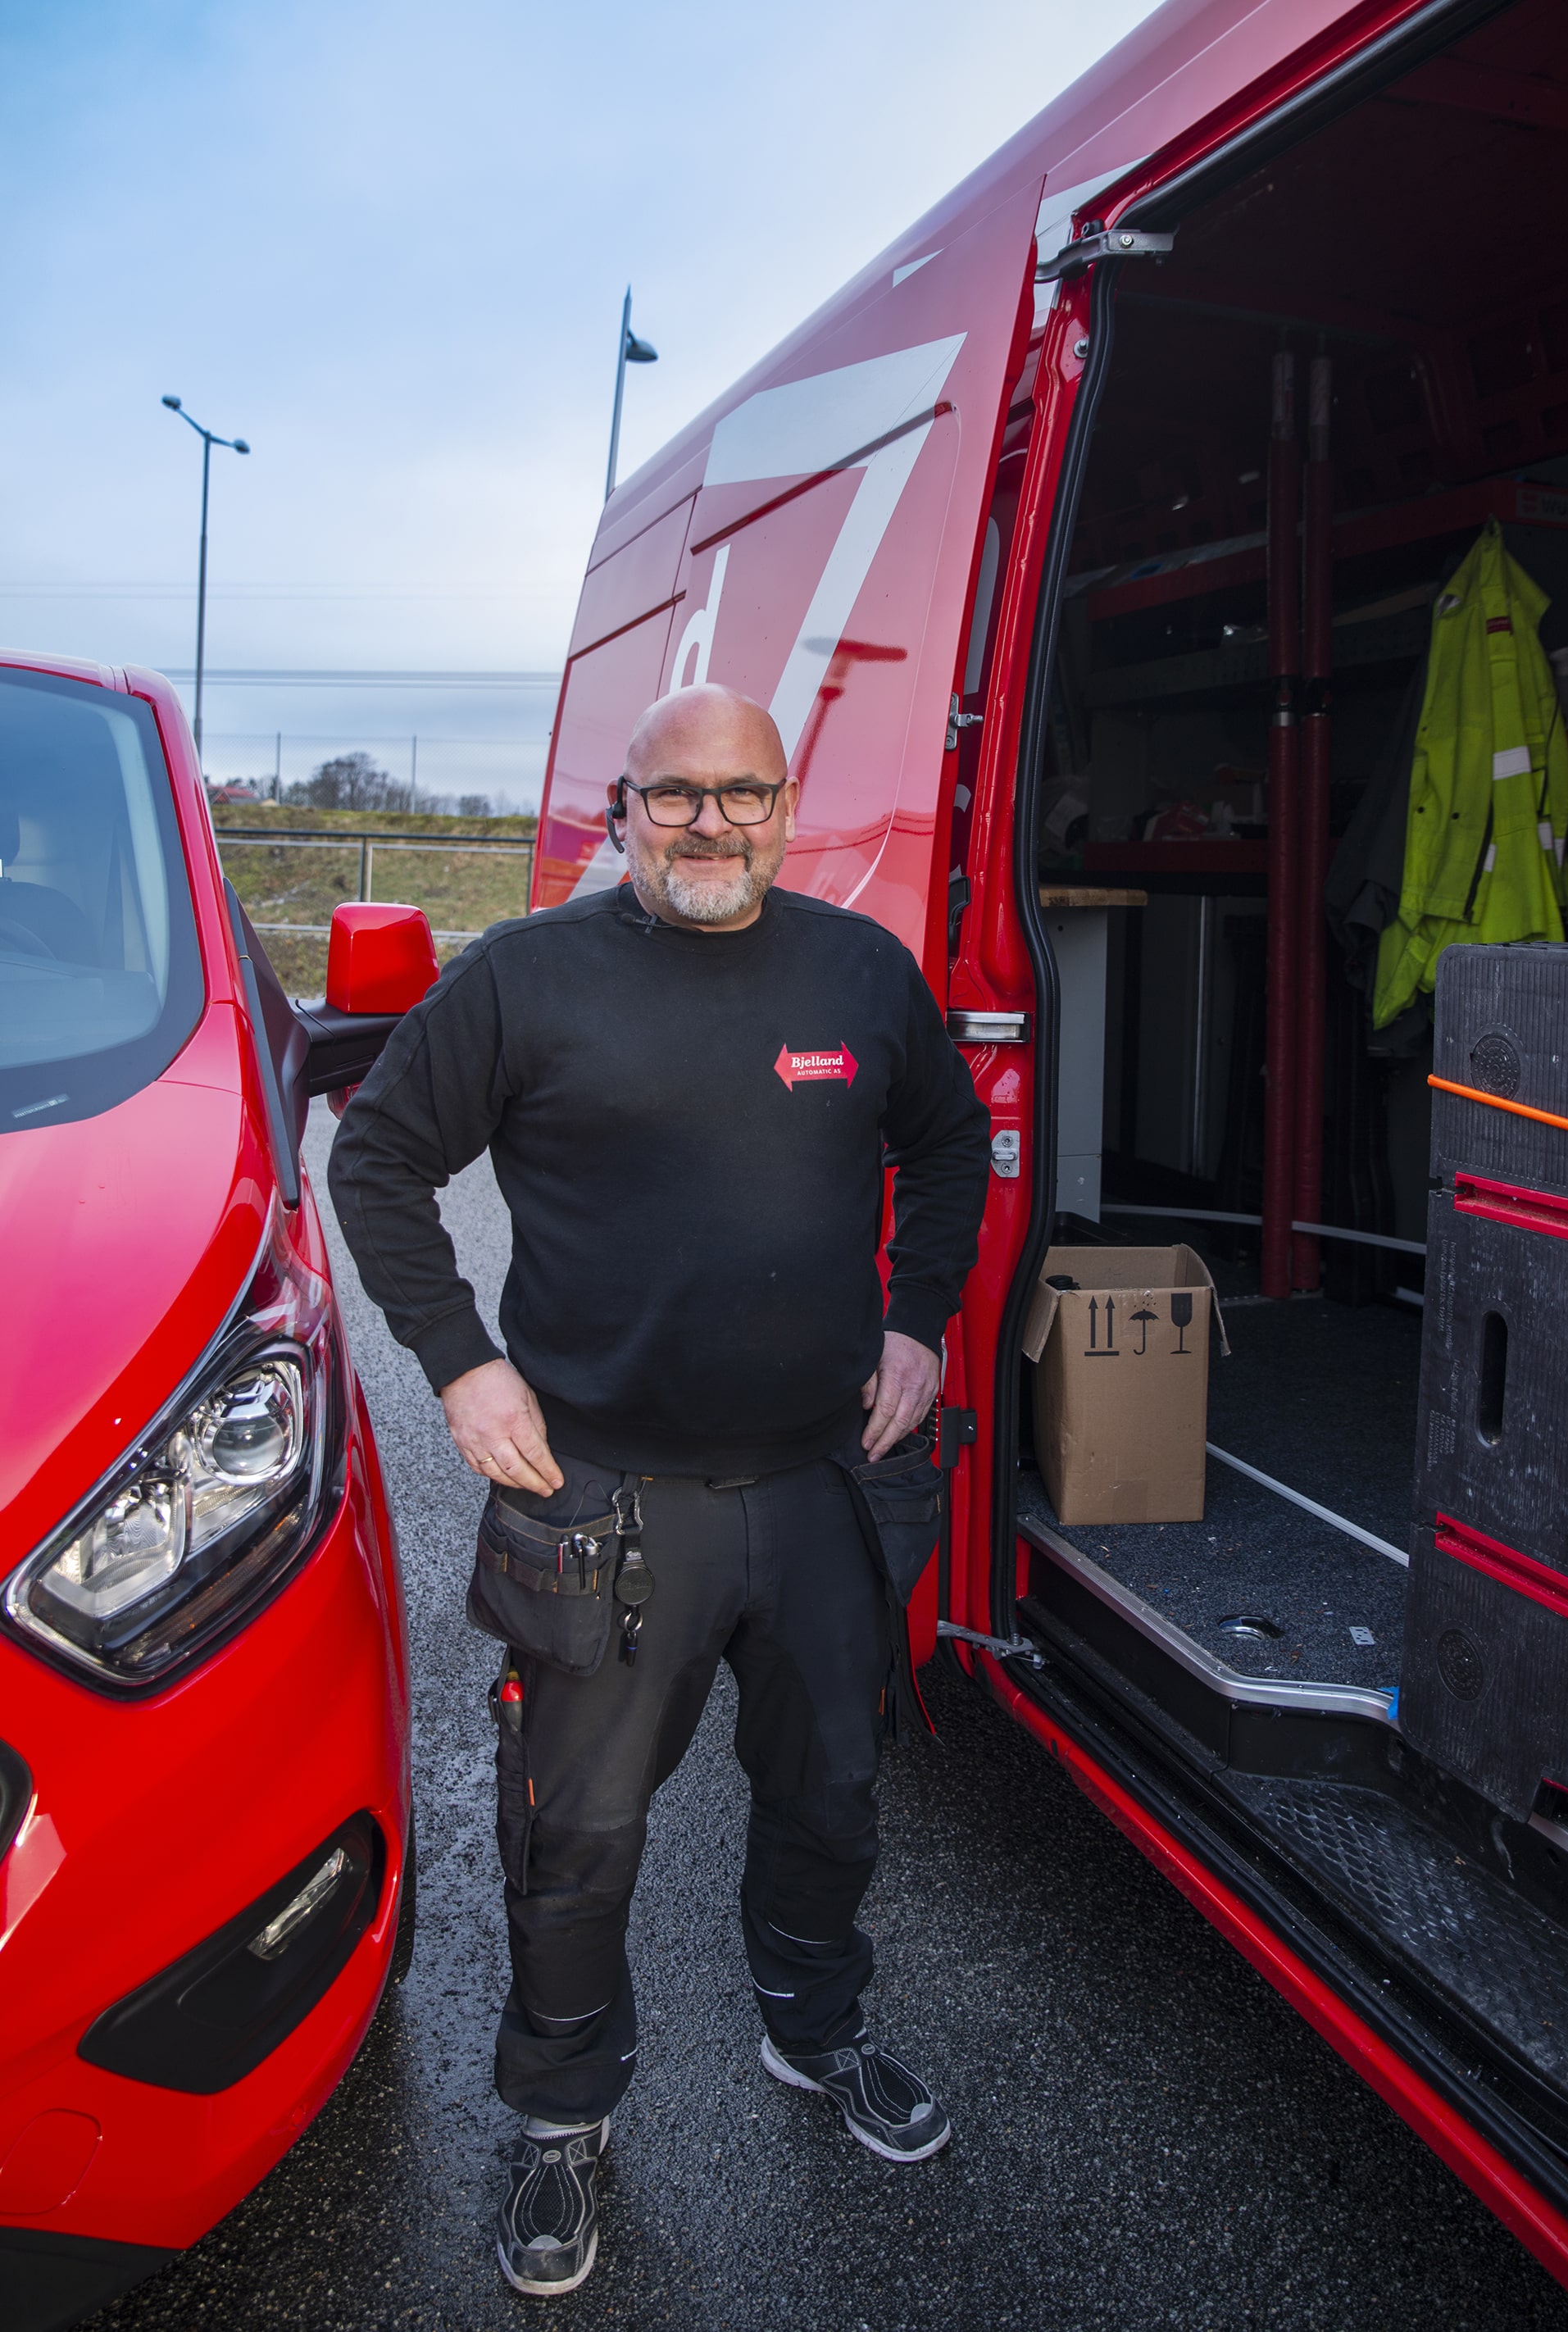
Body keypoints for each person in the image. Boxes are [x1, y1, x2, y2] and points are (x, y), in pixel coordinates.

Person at [328, 684, 991, 2298]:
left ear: (785, 800)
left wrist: (915, 1316)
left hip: (820, 1487)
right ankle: (563, 2115)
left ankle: (814, 2029)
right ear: (622, 807)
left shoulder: (858, 971)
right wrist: (461, 1361)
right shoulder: (530, 980)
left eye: (742, 794)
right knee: (576, 1827)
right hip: (599, 1495)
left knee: (831, 1790)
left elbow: (954, 1144)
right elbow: (376, 1161)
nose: (711, 823)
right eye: (674, 796)